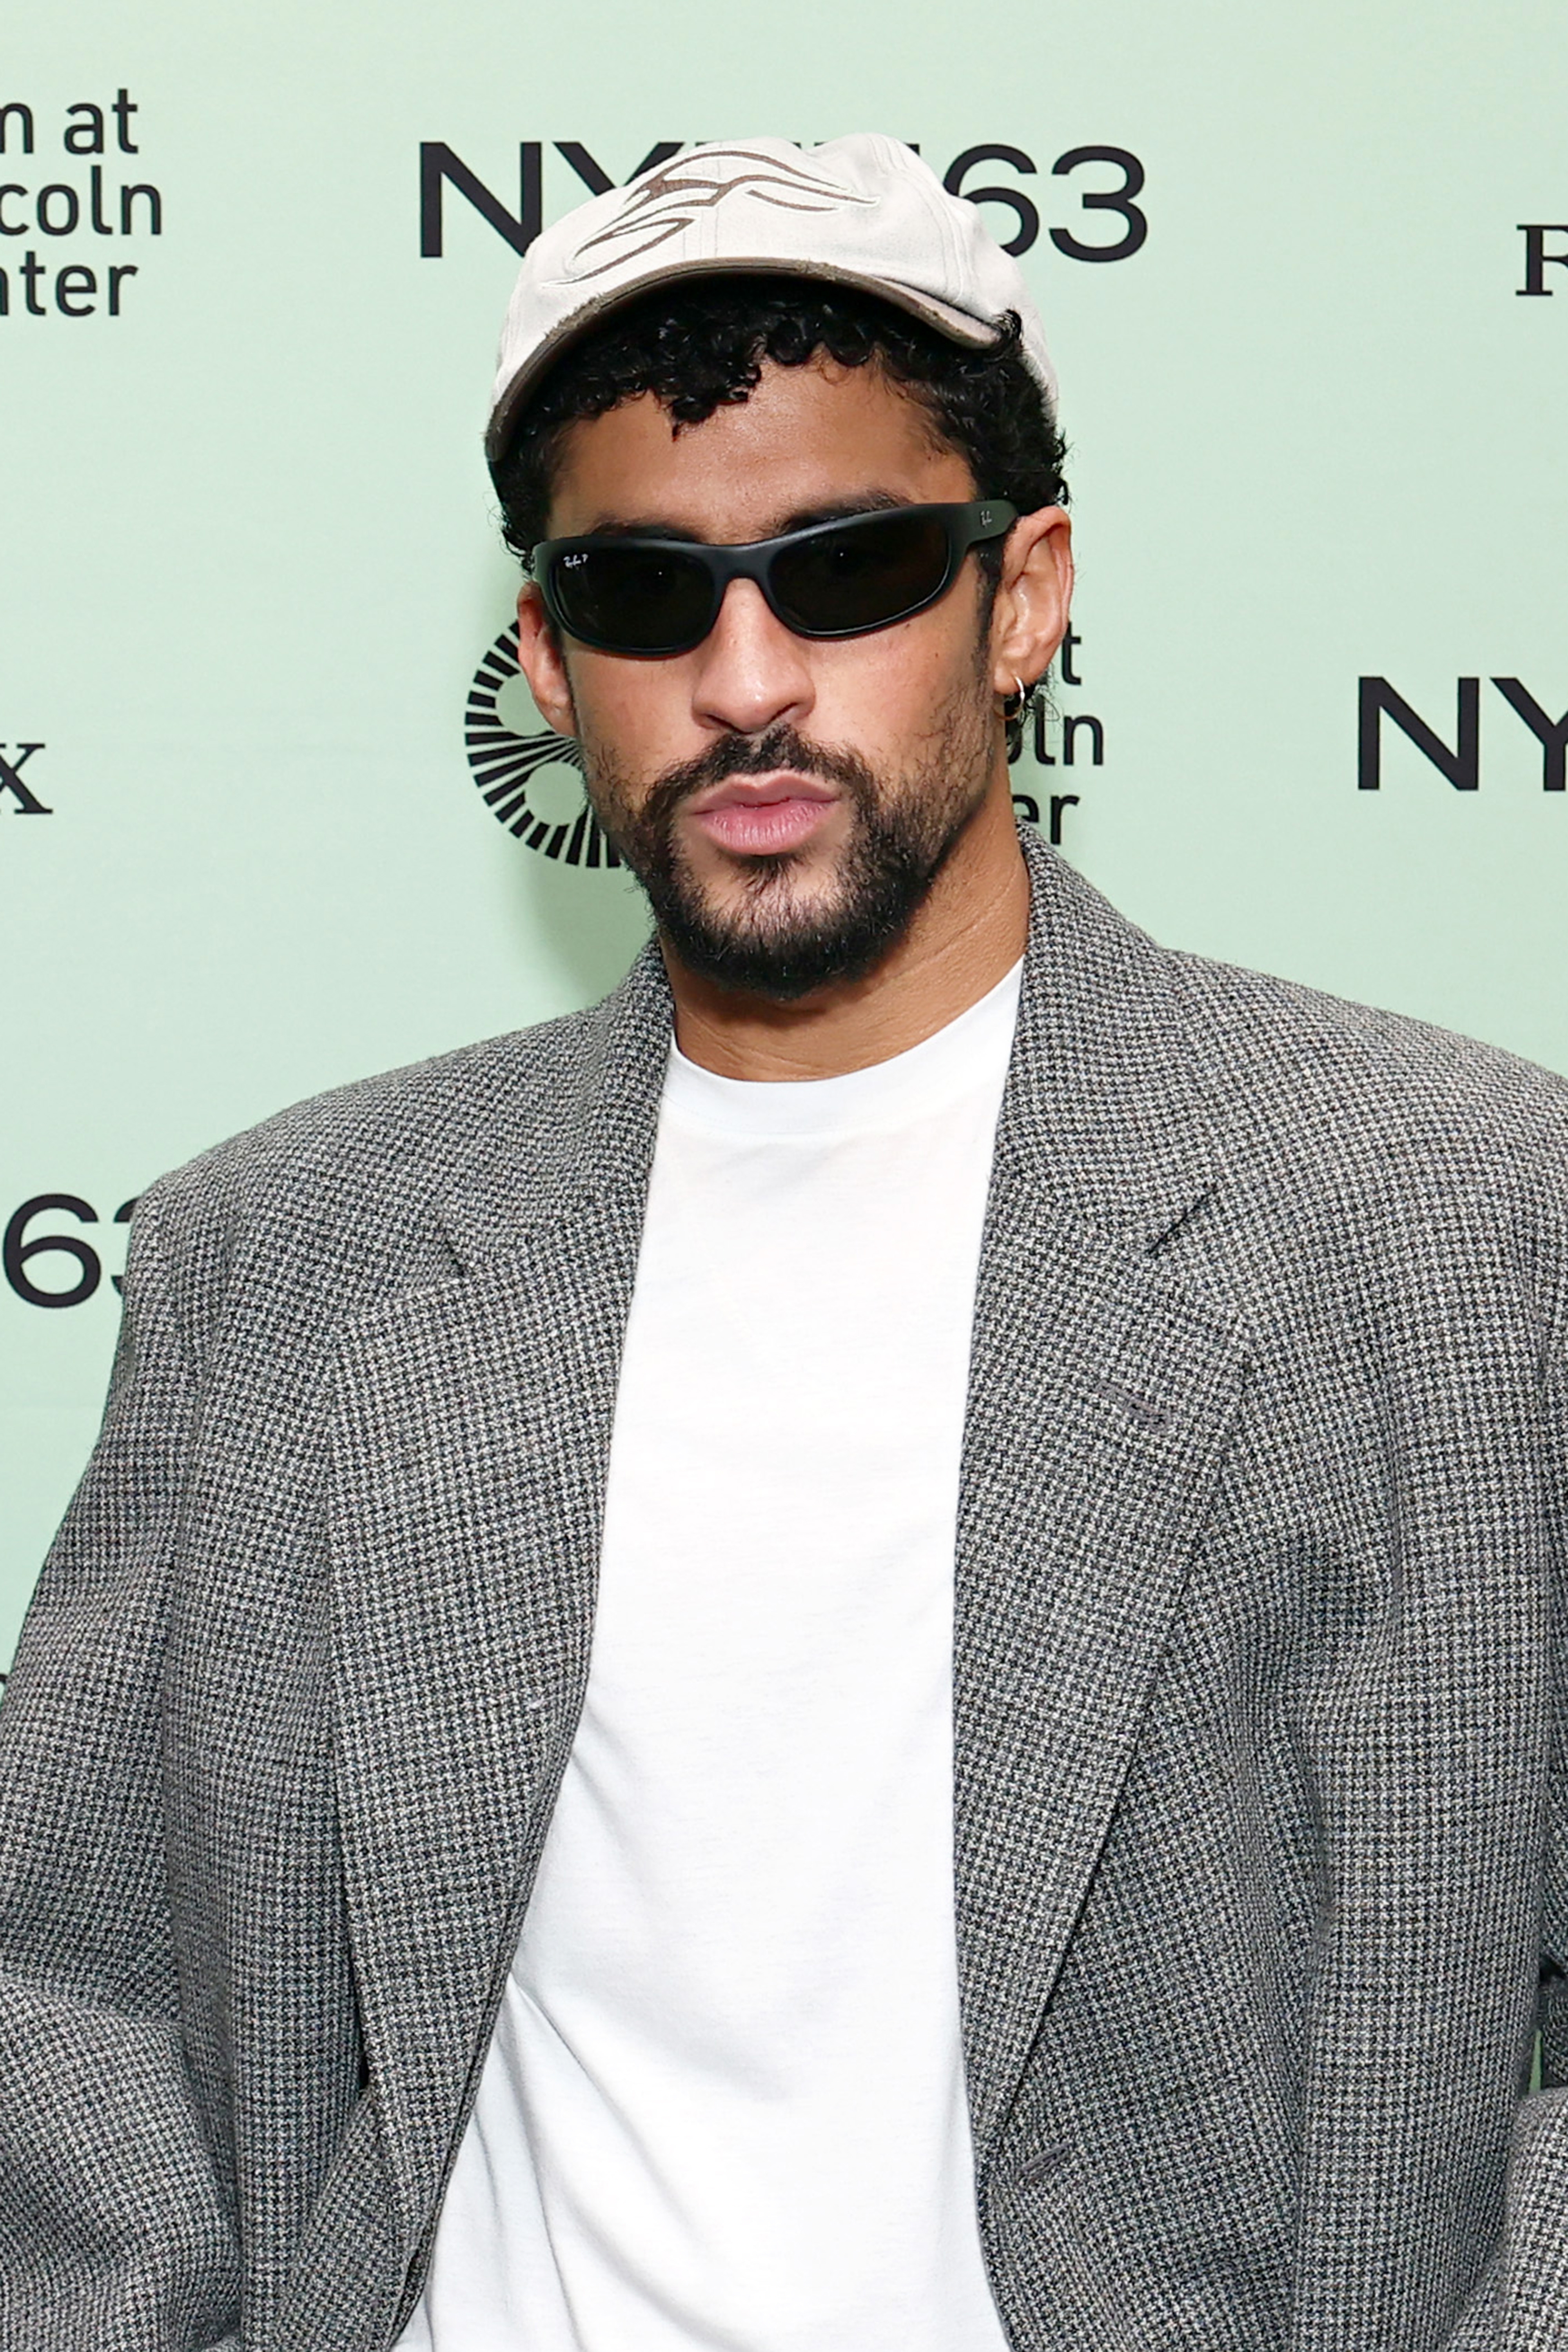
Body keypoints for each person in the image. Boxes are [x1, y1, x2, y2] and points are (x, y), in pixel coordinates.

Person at [0, 131, 1565, 2352]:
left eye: (845, 573)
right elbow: (80, 2020)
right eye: (649, 592)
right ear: (543, 658)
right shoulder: (293, 1263)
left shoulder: (1467, 1227)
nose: (747, 678)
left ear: (1021, 593)